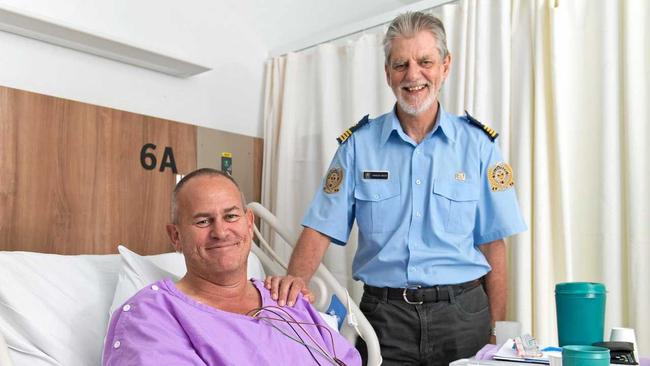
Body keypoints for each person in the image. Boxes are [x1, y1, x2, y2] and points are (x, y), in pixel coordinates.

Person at [266, 11, 527, 366]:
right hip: (384, 320)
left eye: (425, 62)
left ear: (445, 66)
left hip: (463, 317)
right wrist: (293, 285)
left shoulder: (479, 146)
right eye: (400, 64)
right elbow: (321, 226)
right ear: (388, 72)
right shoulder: (358, 146)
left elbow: (494, 244)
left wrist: (497, 332)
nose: (413, 75)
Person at [102, 168, 361, 366]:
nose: (221, 232)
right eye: (203, 221)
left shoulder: (286, 300)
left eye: (231, 216)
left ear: (249, 223)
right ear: (176, 236)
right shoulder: (152, 316)